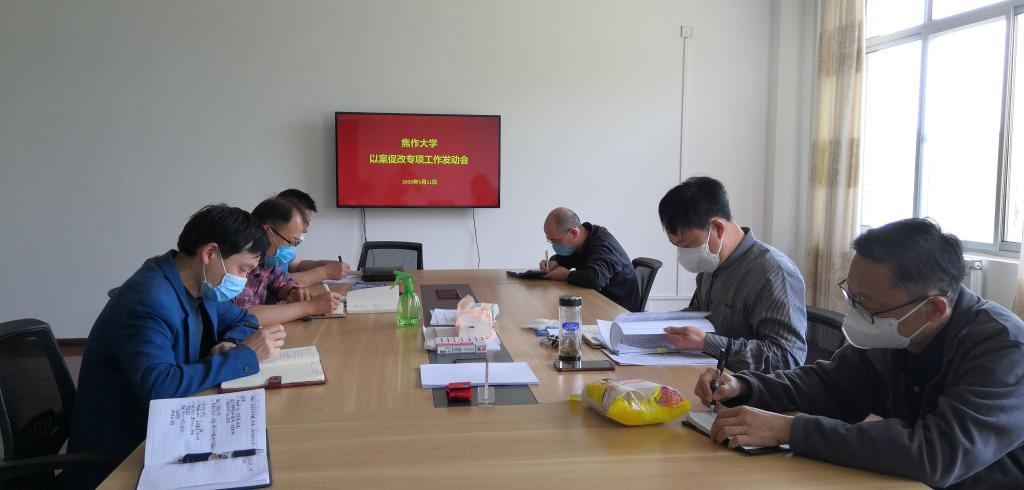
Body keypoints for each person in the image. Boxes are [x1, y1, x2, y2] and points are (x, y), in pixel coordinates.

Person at [695, 218, 1024, 488]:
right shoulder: (901, 328)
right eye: (851, 297)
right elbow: (830, 385)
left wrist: (790, 430)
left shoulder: (1005, 349)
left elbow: (936, 454)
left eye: (866, 304)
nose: (855, 314)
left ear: (934, 309)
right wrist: (745, 386)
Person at [67, 204, 288, 488]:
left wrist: (228, 342)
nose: (243, 281)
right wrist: (244, 356)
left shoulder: (201, 285)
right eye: (242, 269)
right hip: (123, 453)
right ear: (210, 253)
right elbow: (160, 387)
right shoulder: (149, 300)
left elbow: (243, 319)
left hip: (171, 425)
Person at [658, 176, 807, 373]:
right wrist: (656, 324)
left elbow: (787, 359)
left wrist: (708, 343)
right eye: (677, 246)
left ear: (718, 229)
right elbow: (700, 313)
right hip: (706, 373)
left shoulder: (773, 273)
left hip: (746, 387)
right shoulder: (711, 263)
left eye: (688, 245)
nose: (684, 254)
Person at [233, 197, 342, 324]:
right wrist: (311, 307)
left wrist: (293, 291)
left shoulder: (265, 264)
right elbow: (246, 315)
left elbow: (281, 280)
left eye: (295, 243)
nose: (291, 248)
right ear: (266, 231)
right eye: (290, 242)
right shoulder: (239, 264)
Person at [538, 207, 640, 311]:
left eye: (555, 241)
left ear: (573, 233)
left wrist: (567, 275)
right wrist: (554, 262)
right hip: (597, 301)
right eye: (550, 241)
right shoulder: (582, 240)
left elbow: (596, 279)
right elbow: (567, 257)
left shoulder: (602, 245)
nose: (554, 245)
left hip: (618, 311)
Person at [275, 188, 350, 286]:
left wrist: (328, 265)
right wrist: (325, 272)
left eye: (308, 223)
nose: (306, 230)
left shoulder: (283, 248)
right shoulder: (260, 248)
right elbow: (272, 281)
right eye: (303, 222)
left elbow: (297, 266)